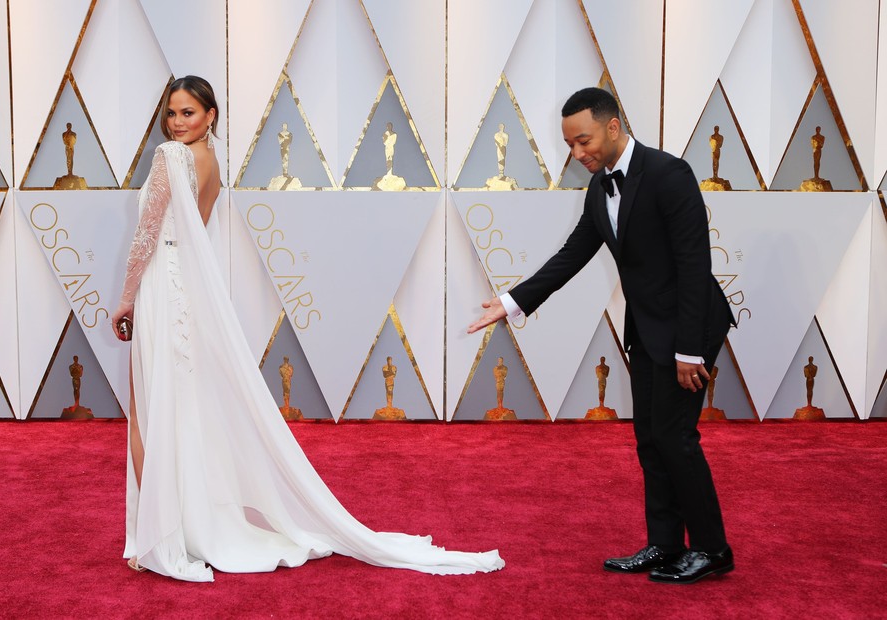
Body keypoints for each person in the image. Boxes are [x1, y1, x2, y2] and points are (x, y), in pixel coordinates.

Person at [111, 76, 502, 582]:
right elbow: (196, 232)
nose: (177, 122)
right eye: (171, 113)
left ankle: (158, 537)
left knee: (150, 413)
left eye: (188, 113)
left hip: (161, 290)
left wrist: (126, 297)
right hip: (181, 287)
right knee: (178, 407)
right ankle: (178, 528)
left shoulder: (170, 156)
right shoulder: (211, 164)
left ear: (211, 115)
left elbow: (147, 233)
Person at [468, 87, 734, 584]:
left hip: (686, 328)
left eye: (583, 141)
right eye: (570, 145)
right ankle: (664, 545)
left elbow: (695, 265)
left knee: (676, 438)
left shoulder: (668, 174)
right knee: (651, 439)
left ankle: (713, 549)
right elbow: (573, 255)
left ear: (613, 127)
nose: (577, 153)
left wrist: (688, 349)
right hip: (648, 328)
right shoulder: (599, 188)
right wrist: (510, 303)